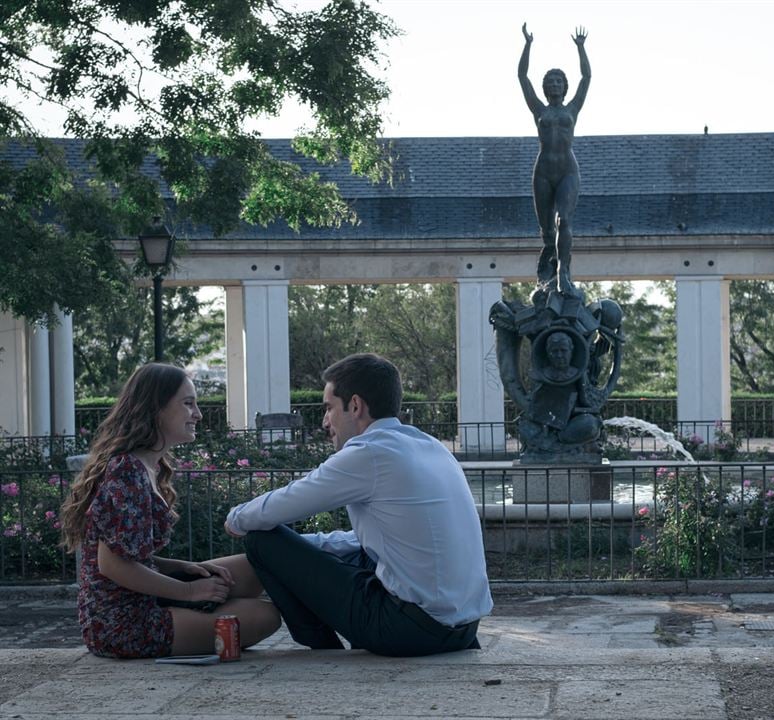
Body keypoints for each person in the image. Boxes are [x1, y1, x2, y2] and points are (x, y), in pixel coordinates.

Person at [224, 353, 492, 657]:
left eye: (328, 408)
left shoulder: (369, 452)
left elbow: (287, 501)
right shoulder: (430, 447)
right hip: (463, 630)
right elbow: (374, 540)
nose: (325, 420)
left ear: (355, 405)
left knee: (261, 540)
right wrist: (301, 546)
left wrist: (235, 519)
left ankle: (323, 649)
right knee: (353, 554)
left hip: (410, 631)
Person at [59, 363, 281, 659]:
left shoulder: (148, 465)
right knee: (265, 617)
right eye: (188, 404)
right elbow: (111, 565)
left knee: (259, 564)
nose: (198, 415)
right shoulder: (126, 471)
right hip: (121, 622)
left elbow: (128, 555)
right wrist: (189, 592)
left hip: (148, 598)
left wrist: (179, 567)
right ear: (156, 409)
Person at [519, 23, 591, 297]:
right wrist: (527, 45)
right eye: (550, 82)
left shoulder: (573, 108)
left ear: (564, 86)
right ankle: (548, 274)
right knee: (547, 232)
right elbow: (522, 77)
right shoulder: (538, 109)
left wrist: (581, 49)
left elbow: (586, 78)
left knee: (564, 222)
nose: (555, 85)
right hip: (543, 172)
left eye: (559, 81)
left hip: (567, 170)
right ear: (545, 87)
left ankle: (564, 273)